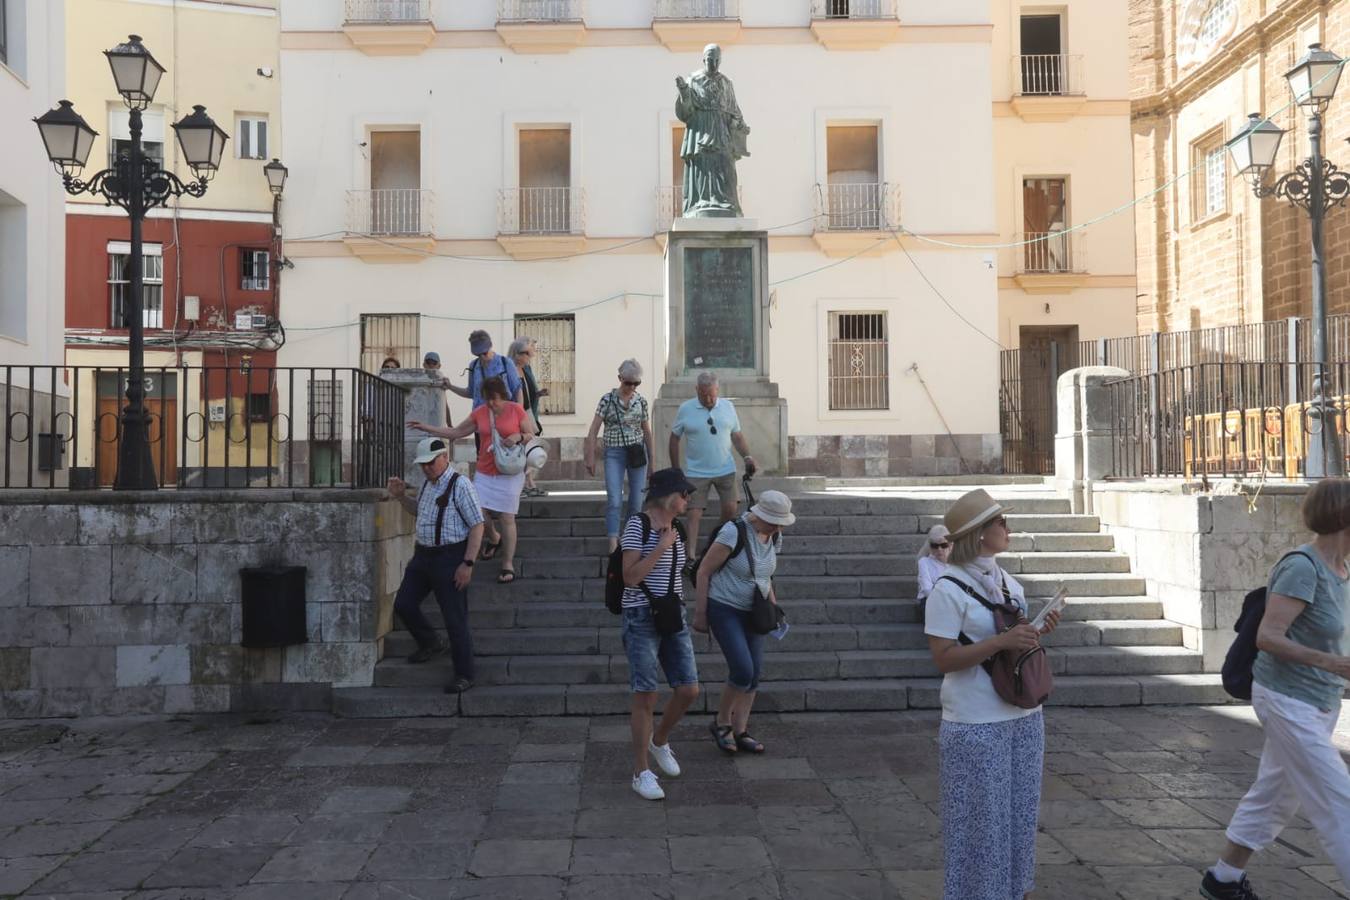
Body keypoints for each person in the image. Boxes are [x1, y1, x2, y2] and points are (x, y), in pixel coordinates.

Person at [1201, 479, 1350, 900]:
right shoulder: (1303, 567)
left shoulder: (1342, 570)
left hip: (1321, 701)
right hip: (1285, 699)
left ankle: (1223, 879)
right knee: (1337, 797)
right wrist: (1334, 663)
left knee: (1276, 794)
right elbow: (1268, 636)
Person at [923, 488, 1060, 900]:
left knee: (1019, 817)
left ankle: (1016, 892)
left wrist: (1035, 632)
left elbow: (1011, 641)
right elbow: (943, 659)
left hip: (1022, 715)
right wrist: (1001, 644)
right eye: (1001, 522)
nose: (1008, 527)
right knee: (980, 825)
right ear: (980, 534)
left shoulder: (1008, 582)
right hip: (976, 721)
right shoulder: (947, 589)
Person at [620, 467, 701, 801]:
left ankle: (660, 740)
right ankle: (641, 772)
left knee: (689, 689)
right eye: (684, 494)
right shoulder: (637, 525)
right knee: (646, 693)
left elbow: (676, 572)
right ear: (668, 494)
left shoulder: (678, 528)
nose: (687, 499)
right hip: (640, 614)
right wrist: (661, 545)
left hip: (671, 615)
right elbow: (630, 577)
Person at [693, 490, 794, 755]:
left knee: (754, 672)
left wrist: (774, 608)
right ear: (759, 515)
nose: (777, 527)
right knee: (742, 669)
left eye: (780, 523)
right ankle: (721, 722)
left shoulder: (775, 535)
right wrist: (700, 613)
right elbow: (704, 570)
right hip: (724, 607)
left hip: (755, 611)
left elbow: (766, 575)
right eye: (772, 522)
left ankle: (741, 730)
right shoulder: (733, 532)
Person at [410, 376, 535, 584]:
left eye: (494, 398)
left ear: (503, 395)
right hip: (485, 470)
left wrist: (518, 437)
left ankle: (507, 564)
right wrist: (427, 428)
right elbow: (457, 432)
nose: (491, 403)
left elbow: (530, 433)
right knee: (479, 512)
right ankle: (494, 538)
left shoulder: (516, 410)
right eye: (487, 399)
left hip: (511, 472)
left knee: (507, 517)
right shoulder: (480, 413)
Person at [386, 436, 485, 694]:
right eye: (423, 464)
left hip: (450, 557)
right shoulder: (427, 485)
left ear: (445, 458)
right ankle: (430, 642)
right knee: (404, 604)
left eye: (431, 462)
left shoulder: (460, 485)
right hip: (423, 557)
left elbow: (477, 524)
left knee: (455, 619)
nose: (427, 468)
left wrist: (468, 563)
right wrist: (399, 497)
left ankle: (465, 674)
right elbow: (420, 511)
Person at [669, 371, 756, 568]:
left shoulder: (728, 406)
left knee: (731, 508)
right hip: (696, 472)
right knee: (693, 512)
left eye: (712, 395)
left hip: (725, 468)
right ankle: (690, 557)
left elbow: (737, 436)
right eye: (703, 394)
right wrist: (676, 470)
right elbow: (674, 438)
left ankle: (713, 544)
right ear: (696, 390)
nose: (708, 399)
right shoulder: (686, 409)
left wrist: (748, 457)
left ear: (718, 390)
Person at [585, 359, 655, 554]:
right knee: (615, 499)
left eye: (636, 383)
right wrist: (590, 456)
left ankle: (631, 539)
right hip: (614, 453)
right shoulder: (607, 400)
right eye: (628, 382)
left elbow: (647, 432)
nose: (631, 387)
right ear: (620, 379)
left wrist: (653, 462)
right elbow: (593, 430)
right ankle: (613, 542)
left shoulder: (641, 401)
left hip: (637, 453)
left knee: (636, 500)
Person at [675, 43, 750, 217]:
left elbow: (734, 109)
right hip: (701, 130)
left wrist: (739, 123)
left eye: (717, 60)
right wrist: (684, 92)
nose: (713, 64)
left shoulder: (726, 83)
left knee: (725, 166)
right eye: (710, 59)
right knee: (703, 166)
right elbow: (686, 111)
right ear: (704, 60)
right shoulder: (693, 80)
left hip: (721, 130)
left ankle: (726, 202)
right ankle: (701, 202)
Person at [444, 331, 524, 409]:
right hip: (480, 418)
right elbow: (470, 393)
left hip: (503, 416)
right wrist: (450, 387)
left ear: (490, 346)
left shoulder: (505, 363)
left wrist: (519, 416)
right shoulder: (473, 366)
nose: (482, 357)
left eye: (485, 353)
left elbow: (517, 391)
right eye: (478, 355)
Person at [510, 336, 549, 497]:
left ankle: (529, 482)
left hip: (527, 412)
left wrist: (538, 394)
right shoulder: (510, 369)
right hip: (515, 414)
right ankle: (522, 485)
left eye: (529, 352)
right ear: (516, 353)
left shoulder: (525, 370)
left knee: (531, 446)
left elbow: (528, 392)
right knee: (520, 448)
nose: (529, 356)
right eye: (525, 353)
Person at [916, 524, 952, 611]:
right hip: (930, 601)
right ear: (930, 547)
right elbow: (927, 590)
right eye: (935, 546)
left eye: (943, 545)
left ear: (950, 545)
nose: (939, 549)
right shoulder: (924, 562)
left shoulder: (957, 562)